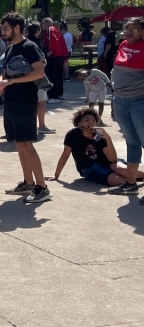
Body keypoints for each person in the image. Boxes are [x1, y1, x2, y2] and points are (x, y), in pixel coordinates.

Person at [0, 12, 52, 203]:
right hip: (11, 101)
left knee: (27, 144)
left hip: (26, 101)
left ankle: (42, 187)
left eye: (5, 28)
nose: (2, 32)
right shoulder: (11, 48)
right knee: (19, 143)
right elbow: (4, 73)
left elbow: (38, 73)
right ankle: (28, 183)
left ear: (16, 28)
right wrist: (0, 82)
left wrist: (10, 81)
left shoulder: (30, 47)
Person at [109, 16, 144, 198]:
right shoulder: (123, 45)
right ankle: (131, 184)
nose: (129, 31)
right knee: (132, 142)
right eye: (126, 28)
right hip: (120, 100)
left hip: (139, 102)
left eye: (134, 28)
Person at [50, 107, 128, 188]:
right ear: (79, 124)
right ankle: (130, 184)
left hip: (108, 163)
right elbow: (65, 154)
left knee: (127, 172)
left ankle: (135, 179)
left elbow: (113, 160)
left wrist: (108, 139)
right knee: (117, 180)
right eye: (87, 120)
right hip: (89, 168)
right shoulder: (73, 135)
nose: (91, 122)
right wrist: (56, 176)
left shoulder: (100, 136)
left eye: (93, 120)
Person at [26, 22, 52, 135]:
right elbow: (42, 61)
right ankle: (41, 125)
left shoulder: (24, 43)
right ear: (37, 31)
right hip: (38, 77)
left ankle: (28, 125)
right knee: (41, 101)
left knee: (28, 103)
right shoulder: (37, 44)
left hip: (25, 77)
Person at [41, 18, 68, 102]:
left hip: (54, 56)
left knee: (52, 76)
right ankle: (58, 94)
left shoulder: (50, 30)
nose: (41, 25)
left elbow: (54, 40)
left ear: (46, 23)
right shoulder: (55, 30)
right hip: (59, 55)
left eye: (42, 23)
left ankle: (53, 96)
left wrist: (51, 51)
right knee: (57, 75)